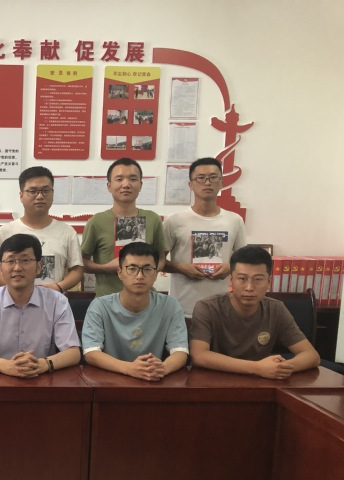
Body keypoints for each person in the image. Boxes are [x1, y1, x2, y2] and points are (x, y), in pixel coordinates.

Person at [0, 234, 82, 378]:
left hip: (41, 378)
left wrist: (42, 364)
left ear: (38, 267)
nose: (17, 268)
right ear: (1, 269)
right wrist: (5, 366)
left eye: (25, 260)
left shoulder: (57, 302)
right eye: (10, 261)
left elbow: (73, 352)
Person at [190, 245, 320, 379]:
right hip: (216, 381)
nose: (249, 287)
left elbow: (311, 356)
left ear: (268, 282)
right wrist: (257, 368)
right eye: (242, 279)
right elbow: (199, 356)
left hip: (260, 381)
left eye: (258, 279)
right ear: (231, 280)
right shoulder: (207, 307)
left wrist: (279, 369)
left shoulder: (276, 309)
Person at [82, 242, 188, 381]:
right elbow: (91, 353)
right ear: (120, 273)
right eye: (132, 269)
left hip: (153, 380)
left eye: (147, 269)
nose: (139, 276)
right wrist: (130, 369)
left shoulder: (170, 305)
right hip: (111, 381)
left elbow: (180, 351)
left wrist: (163, 368)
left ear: (156, 274)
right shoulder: (100, 306)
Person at [164, 157, 247, 316]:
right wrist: (182, 268)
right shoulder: (174, 221)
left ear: (221, 182)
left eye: (213, 177)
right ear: (190, 184)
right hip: (182, 310)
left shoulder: (234, 220)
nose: (207, 183)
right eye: (201, 178)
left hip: (219, 309)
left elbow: (244, 261)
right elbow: (158, 262)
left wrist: (231, 267)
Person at [81, 158, 167, 296]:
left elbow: (162, 258)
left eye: (132, 179)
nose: (126, 184)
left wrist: (148, 270)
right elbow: (82, 262)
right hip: (107, 300)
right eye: (119, 179)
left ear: (141, 185)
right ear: (109, 185)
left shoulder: (153, 219)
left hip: (146, 299)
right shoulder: (96, 221)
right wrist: (106, 268)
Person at [0, 166, 83, 293]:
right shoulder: (4, 232)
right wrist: (17, 291)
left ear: (52, 194)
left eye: (45, 190)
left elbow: (77, 270)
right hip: (13, 301)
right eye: (33, 191)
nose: (39, 196)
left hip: (52, 300)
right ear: (21, 196)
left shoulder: (67, 232)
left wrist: (58, 287)